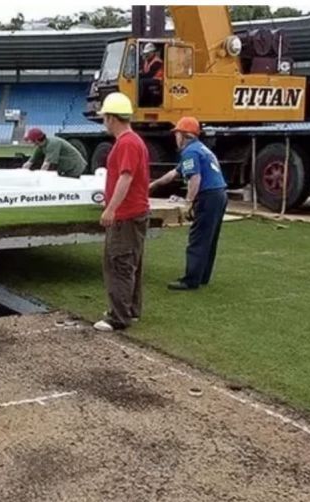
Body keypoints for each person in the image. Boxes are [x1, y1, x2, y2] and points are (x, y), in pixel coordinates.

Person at [93, 92, 150, 332]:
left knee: (119, 263)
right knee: (131, 262)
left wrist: (111, 208)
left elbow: (125, 177)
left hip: (126, 215)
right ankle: (130, 309)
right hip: (134, 212)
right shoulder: (133, 141)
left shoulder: (126, 143)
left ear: (111, 118)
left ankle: (118, 316)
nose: (104, 121)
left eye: (105, 116)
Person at [150, 116, 227, 291]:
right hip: (219, 194)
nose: (175, 138)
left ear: (184, 135)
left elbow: (195, 178)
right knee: (209, 238)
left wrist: (188, 202)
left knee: (198, 237)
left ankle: (190, 280)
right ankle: (202, 276)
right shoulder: (200, 149)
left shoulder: (190, 152)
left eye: (177, 134)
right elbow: (174, 173)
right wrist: (153, 185)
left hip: (209, 196)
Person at [22, 128, 86, 178]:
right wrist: (21, 173)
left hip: (75, 168)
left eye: (30, 140)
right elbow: (29, 162)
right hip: (67, 167)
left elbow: (46, 165)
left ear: (36, 140)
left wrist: (39, 178)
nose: (29, 142)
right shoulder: (41, 146)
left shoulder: (52, 144)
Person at [139, 43, 164, 108]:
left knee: (142, 82)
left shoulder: (157, 62)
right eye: (146, 53)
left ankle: (141, 101)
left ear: (153, 52)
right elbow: (143, 70)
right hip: (151, 79)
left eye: (148, 53)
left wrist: (140, 75)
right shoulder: (147, 60)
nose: (147, 54)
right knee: (141, 81)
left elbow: (150, 74)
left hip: (158, 80)